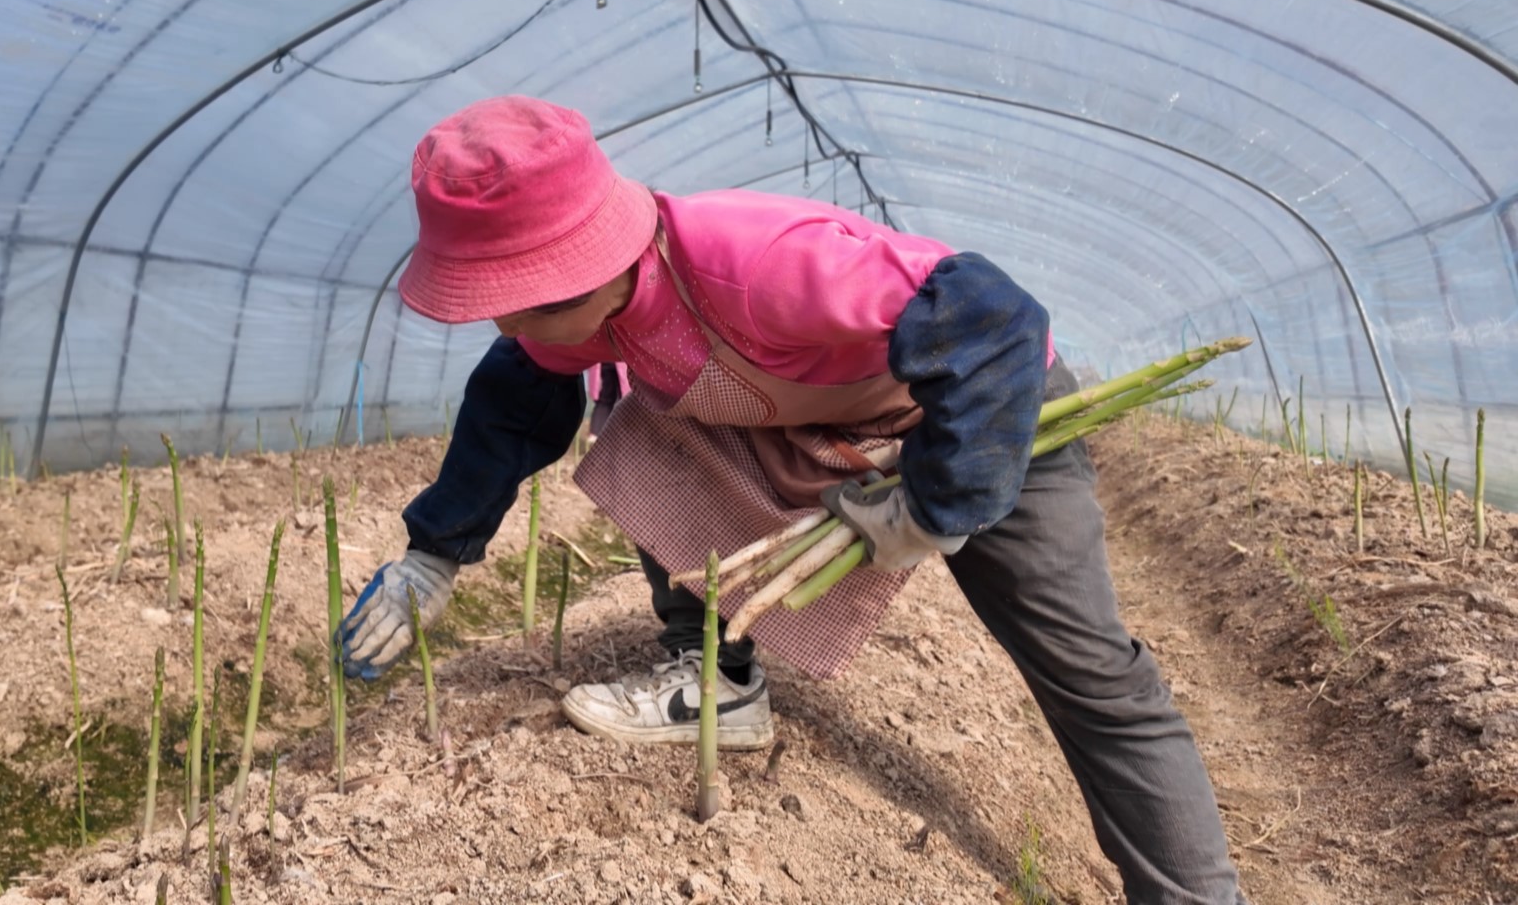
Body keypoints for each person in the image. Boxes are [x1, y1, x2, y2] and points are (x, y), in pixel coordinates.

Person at [338, 95, 1245, 903]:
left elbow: (995, 323)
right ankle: (718, 678)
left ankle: (1192, 894)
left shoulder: (760, 263)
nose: (506, 322)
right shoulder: (577, 318)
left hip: (986, 415)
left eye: (522, 301)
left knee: (1087, 670)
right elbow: (513, 400)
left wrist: (933, 507)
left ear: (596, 257)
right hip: (815, 423)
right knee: (638, 422)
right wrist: (436, 551)